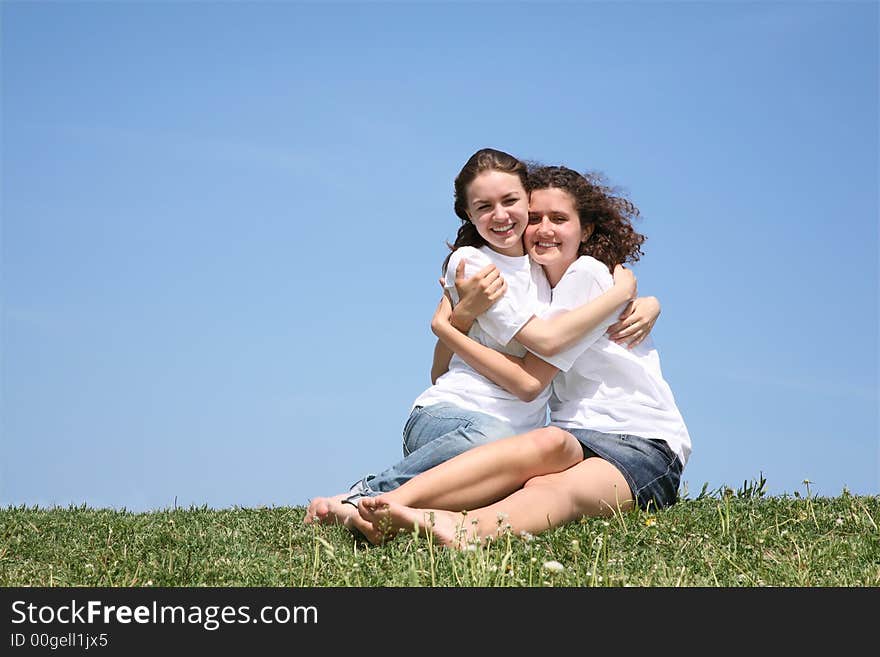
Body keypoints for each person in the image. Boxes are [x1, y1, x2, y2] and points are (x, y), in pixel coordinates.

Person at [303, 149, 661, 537]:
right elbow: (517, 359)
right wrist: (620, 293)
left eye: (511, 201)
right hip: (453, 415)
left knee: (515, 476)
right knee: (499, 439)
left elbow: (583, 295)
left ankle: (387, 514)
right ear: (469, 216)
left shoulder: (548, 267)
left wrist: (639, 297)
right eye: (484, 207)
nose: (501, 216)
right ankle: (367, 495)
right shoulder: (474, 266)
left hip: (518, 434)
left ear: (528, 199)